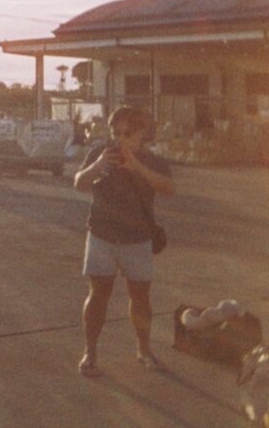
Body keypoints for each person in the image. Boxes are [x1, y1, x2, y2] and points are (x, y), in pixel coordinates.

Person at [73, 105, 174, 377]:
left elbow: (169, 188)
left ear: (141, 133)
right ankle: (90, 352)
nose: (120, 139)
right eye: (115, 132)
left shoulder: (151, 160)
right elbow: (79, 183)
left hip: (138, 239)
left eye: (127, 133)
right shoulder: (100, 154)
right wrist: (97, 166)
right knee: (98, 295)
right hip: (101, 236)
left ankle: (143, 350)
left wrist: (137, 167)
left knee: (140, 296)